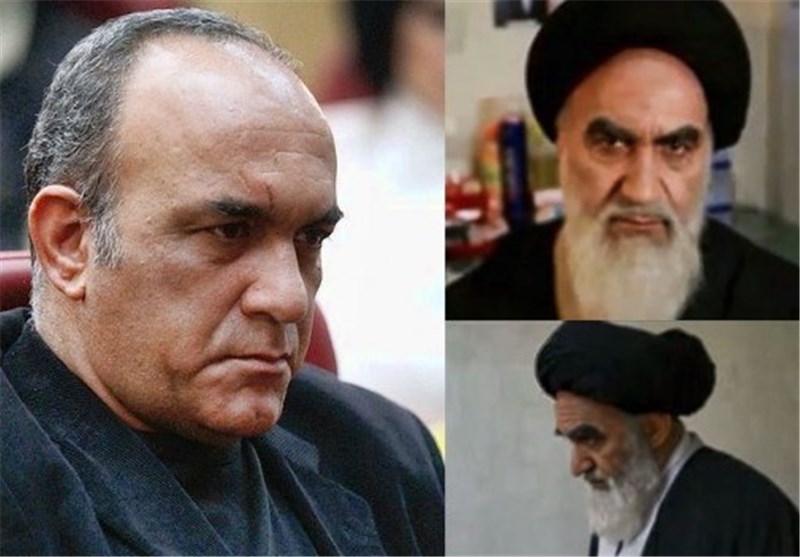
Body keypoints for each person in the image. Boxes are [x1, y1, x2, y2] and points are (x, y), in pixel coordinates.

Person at [0, 8, 443, 556]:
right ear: (69, 242)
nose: (288, 297)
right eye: (229, 232)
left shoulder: (382, 453)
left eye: (310, 238)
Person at [446, 0, 799, 320]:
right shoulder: (472, 309)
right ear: (562, 145)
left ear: (707, 157)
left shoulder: (780, 305)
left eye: (677, 147)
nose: (642, 191)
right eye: (611, 144)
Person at [535, 321, 799, 556]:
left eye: (590, 439)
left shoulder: (752, 515)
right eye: (571, 441)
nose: (577, 466)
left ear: (654, 430)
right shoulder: (621, 498)